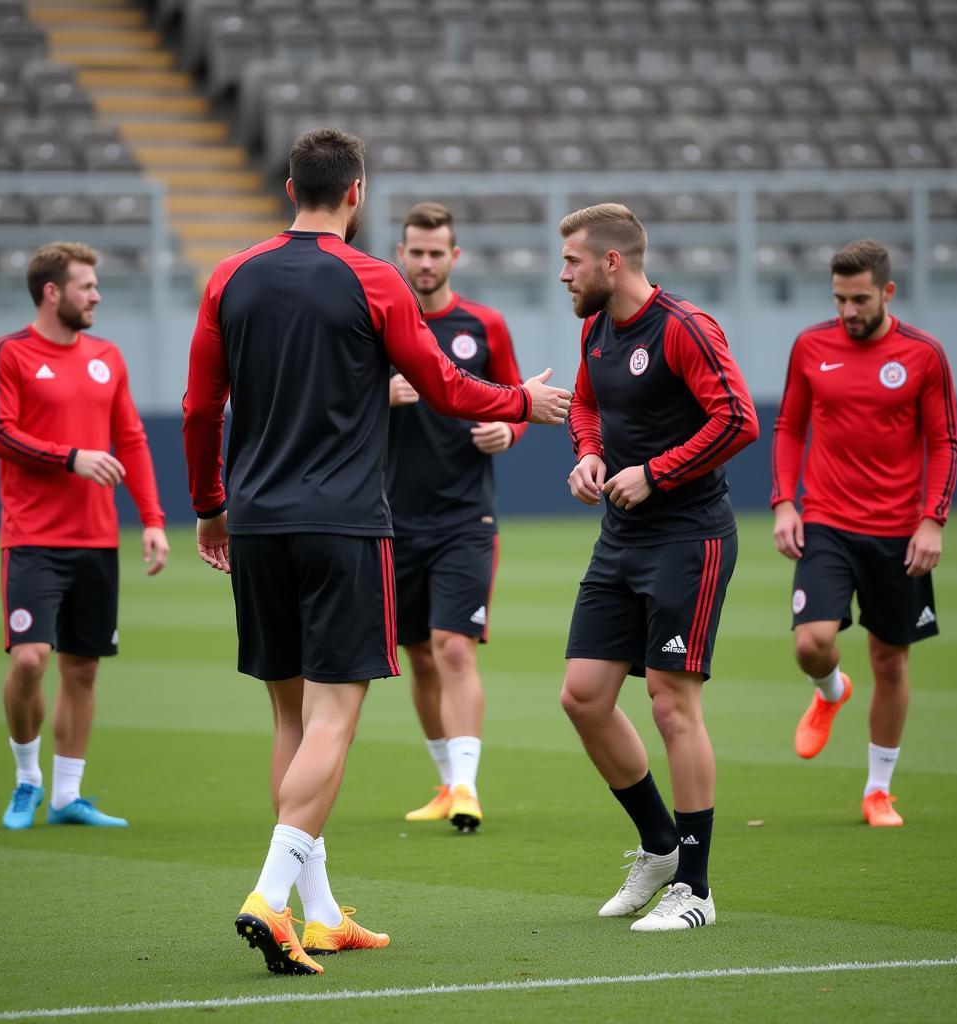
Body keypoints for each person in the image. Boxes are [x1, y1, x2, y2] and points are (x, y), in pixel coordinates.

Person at [182, 128, 570, 976]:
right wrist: (522, 399)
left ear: (291, 187)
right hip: (345, 526)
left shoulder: (230, 277)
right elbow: (443, 385)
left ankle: (321, 914)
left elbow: (199, 409)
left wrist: (210, 509)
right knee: (334, 717)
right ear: (356, 194)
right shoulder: (374, 279)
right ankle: (270, 897)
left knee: (290, 714)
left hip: (253, 524)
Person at [558, 204, 758, 932]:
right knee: (582, 697)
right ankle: (659, 847)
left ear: (612, 262)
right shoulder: (595, 328)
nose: (562, 273)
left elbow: (737, 418)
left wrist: (656, 473)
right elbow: (586, 403)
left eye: (572, 260)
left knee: (672, 705)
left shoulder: (684, 327)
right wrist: (588, 452)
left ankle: (696, 891)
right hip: (622, 538)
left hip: (689, 537)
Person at [0, 241, 170, 831]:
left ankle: (66, 796)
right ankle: (27, 778)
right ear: (52, 292)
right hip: (32, 538)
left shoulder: (107, 356)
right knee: (32, 659)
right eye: (87, 286)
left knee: (83, 669)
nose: (97, 296)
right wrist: (71, 458)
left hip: (95, 539)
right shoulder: (7, 353)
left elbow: (131, 440)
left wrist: (154, 521)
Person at [771, 239, 957, 827]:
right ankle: (830, 691)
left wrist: (932, 520)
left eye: (859, 299)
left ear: (886, 292)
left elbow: (943, 442)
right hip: (826, 520)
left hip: (900, 533)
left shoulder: (924, 355)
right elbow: (790, 426)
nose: (849, 311)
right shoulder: (810, 345)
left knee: (891, 662)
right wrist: (784, 504)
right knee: (811, 641)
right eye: (839, 299)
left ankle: (878, 789)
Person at [388, 202, 526, 833]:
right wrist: (375, 394)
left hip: (465, 518)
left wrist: (508, 429)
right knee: (417, 653)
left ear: (454, 256)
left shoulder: (484, 324)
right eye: (415, 251)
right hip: (390, 520)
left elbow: (515, 402)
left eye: (435, 252)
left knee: (453, 648)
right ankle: (446, 782)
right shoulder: (377, 323)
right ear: (402, 251)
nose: (424, 262)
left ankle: (467, 786)